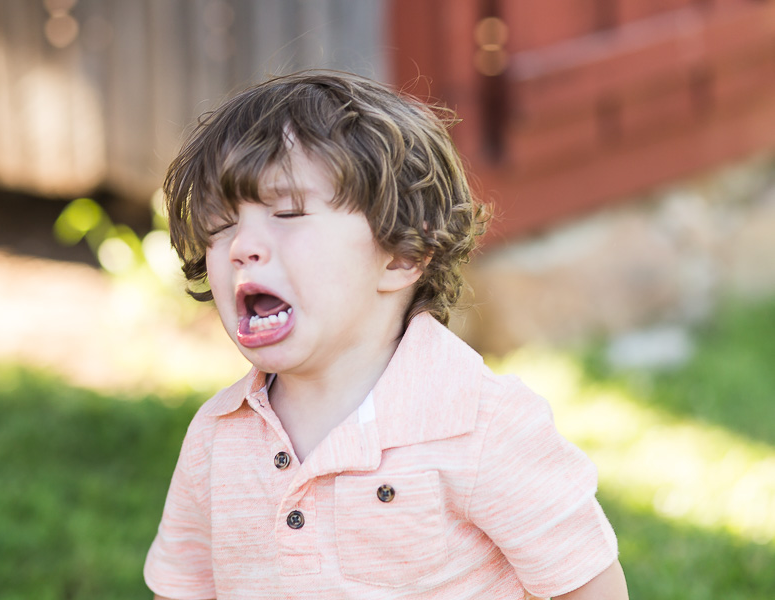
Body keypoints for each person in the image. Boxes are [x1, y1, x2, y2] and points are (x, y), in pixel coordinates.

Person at [144, 71, 628, 600]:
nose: (242, 246)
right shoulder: (217, 438)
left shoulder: (482, 424)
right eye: (219, 227)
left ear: (402, 255)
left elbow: (586, 585)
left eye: (287, 213)